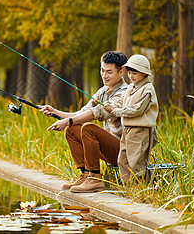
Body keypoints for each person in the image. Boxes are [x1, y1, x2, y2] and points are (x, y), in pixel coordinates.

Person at [39, 51, 128, 193]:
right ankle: (85, 174)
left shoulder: (125, 92)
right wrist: (55, 112)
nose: (104, 75)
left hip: (123, 151)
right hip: (108, 149)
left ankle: (96, 179)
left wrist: (67, 121)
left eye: (109, 72)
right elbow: (81, 113)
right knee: (72, 128)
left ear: (121, 71)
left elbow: (96, 113)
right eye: (102, 70)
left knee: (88, 128)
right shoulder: (103, 91)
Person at [108, 54, 159, 184]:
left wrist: (119, 112)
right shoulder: (131, 87)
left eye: (134, 73)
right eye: (129, 73)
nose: (131, 76)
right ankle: (128, 188)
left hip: (140, 131)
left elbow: (138, 109)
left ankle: (141, 190)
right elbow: (123, 104)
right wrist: (112, 107)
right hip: (128, 130)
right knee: (123, 159)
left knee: (137, 162)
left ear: (144, 73)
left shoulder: (148, 89)